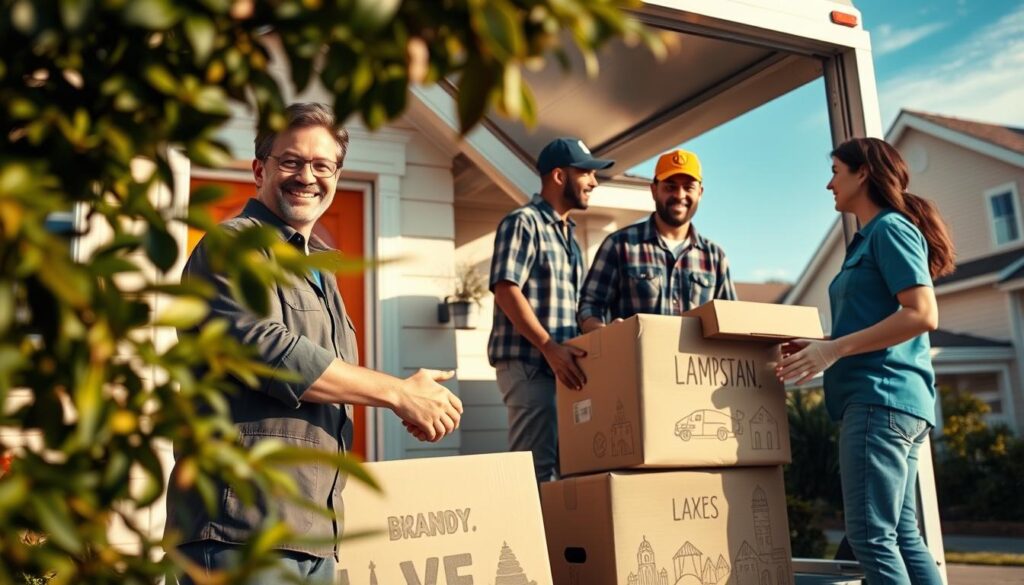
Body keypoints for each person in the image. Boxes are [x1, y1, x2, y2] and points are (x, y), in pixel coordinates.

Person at [165, 103, 463, 584]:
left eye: (322, 165)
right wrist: (397, 393)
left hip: (313, 534)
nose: (307, 176)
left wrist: (406, 401)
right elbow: (267, 352)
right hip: (240, 535)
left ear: (337, 177)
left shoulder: (319, 271)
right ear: (259, 169)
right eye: (291, 161)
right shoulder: (230, 245)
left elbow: (325, 383)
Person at [777, 137, 955, 585]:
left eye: (836, 170)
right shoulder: (868, 238)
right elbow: (871, 319)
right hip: (892, 402)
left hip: (880, 400)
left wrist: (833, 350)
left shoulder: (890, 229)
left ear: (862, 173)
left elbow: (922, 313)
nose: (828, 183)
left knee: (872, 538)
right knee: (902, 536)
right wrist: (820, 343)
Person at [487, 137, 613, 482]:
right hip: (530, 365)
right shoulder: (524, 222)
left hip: (558, 368)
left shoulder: (568, 236)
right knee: (533, 473)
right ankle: (523, 538)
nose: (593, 182)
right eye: (586, 173)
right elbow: (505, 289)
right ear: (559, 176)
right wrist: (549, 348)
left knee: (566, 470)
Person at [578, 148, 736, 332]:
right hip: (636, 360)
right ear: (654, 190)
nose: (679, 195)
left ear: (700, 193)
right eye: (670, 187)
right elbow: (589, 306)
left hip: (694, 362)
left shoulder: (715, 258)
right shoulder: (619, 245)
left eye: (688, 187)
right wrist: (607, 333)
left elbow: (731, 319)